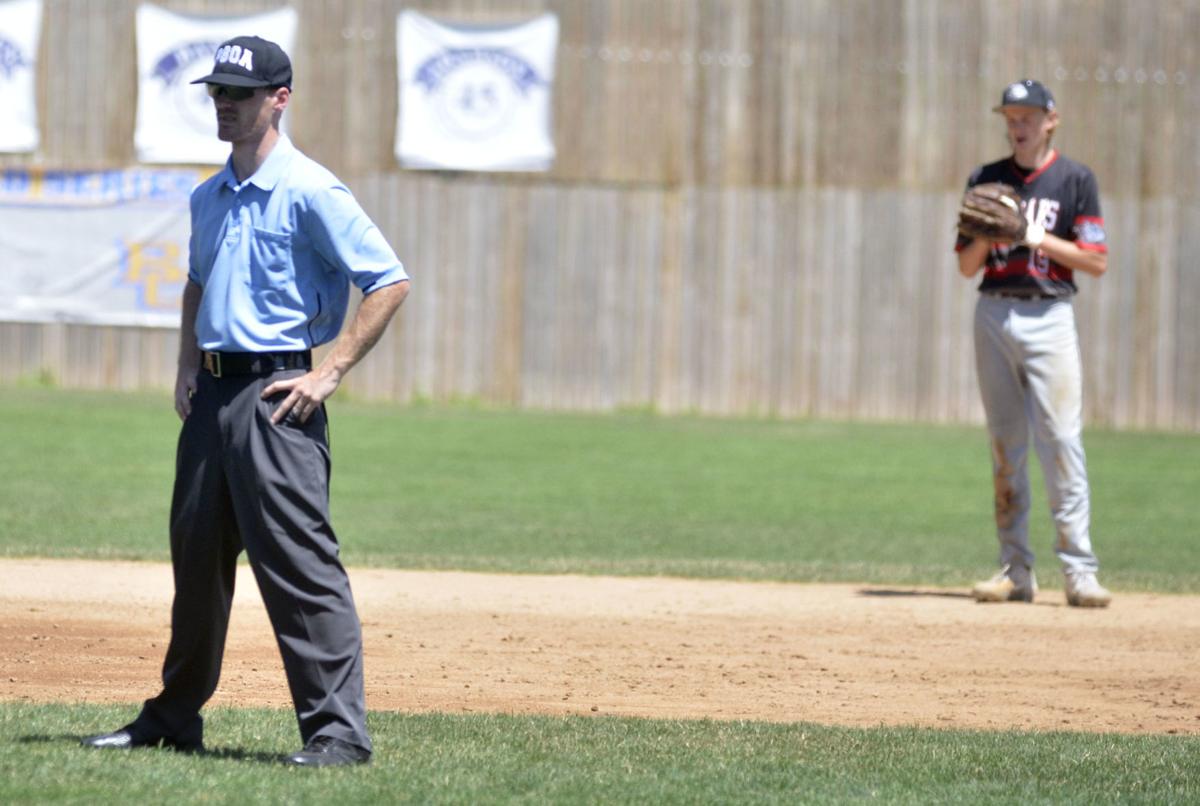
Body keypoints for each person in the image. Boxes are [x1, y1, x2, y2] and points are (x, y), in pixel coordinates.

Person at [81, 35, 410, 766]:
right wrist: (183, 367)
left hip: (277, 399)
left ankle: (337, 736)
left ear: (280, 99)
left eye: (241, 93)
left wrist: (330, 372)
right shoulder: (208, 195)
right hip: (212, 399)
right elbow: (197, 281)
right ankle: (172, 718)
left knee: (300, 570)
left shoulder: (311, 189)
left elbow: (388, 280)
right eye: (218, 93)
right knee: (196, 567)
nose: (225, 104)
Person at [956, 79, 1112, 608]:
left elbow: (1095, 261)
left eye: (1027, 116)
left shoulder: (1074, 180)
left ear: (1051, 120)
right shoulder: (986, 179)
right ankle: (1014, 570)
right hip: (994, 310)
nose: (1017, 125)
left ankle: (1079, 571)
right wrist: (987, 228)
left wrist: (1032, 235)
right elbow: (966, 266)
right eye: (1011, 117)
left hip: (1051, 314)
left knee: (1062, 442)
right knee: (1006, 448)